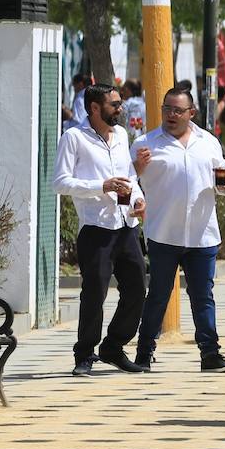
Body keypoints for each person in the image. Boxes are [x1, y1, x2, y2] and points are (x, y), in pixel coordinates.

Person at [131, 87, 225, 372]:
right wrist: (136, 169)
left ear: (192, 113)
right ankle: (144, 352)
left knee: (203, 296)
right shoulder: (146, 143)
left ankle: (210, 354)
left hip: (202, 234)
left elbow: (224, 178)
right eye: (167, 109)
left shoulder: (208, 142)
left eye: (178, 110)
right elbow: (128, 181)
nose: (171, 115)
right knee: (158, 295)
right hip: (164, 233)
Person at [53, 83, 148, 376]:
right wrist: (100, 186)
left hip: (126, 225)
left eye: (120, 103)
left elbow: (128, 176)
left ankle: (114, 347)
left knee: (136, 289)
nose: (121, 109)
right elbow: (60, 182)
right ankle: (84, 354)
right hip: (96, 229)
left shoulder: (121, 135)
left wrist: (137, 198)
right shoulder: (74, 138)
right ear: (95, 108)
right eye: (114, 104)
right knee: (94, 293)